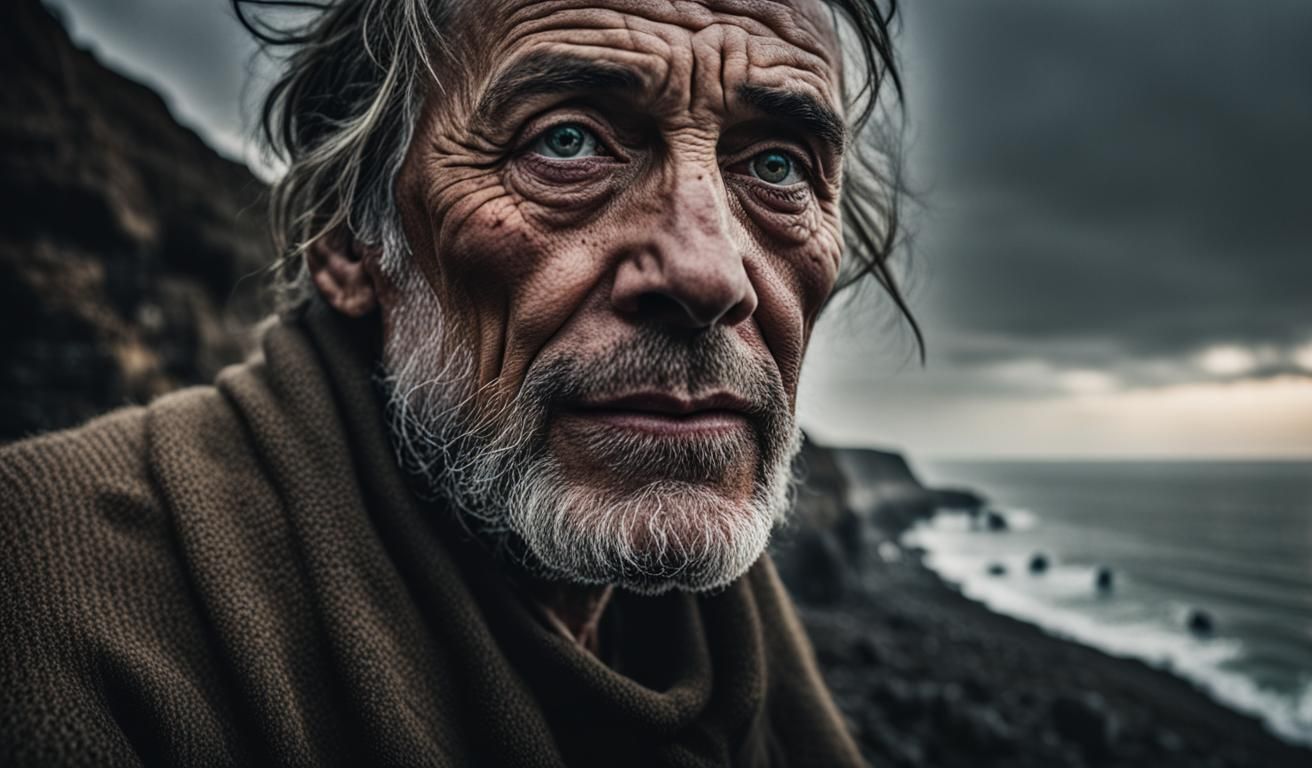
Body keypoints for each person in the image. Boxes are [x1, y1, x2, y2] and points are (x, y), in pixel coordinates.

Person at [0, 0, 918, 764]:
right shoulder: (40, 590)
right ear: (349, 238)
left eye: (776, 165)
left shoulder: (719, 632)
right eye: (567, 141)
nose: (711, 273)